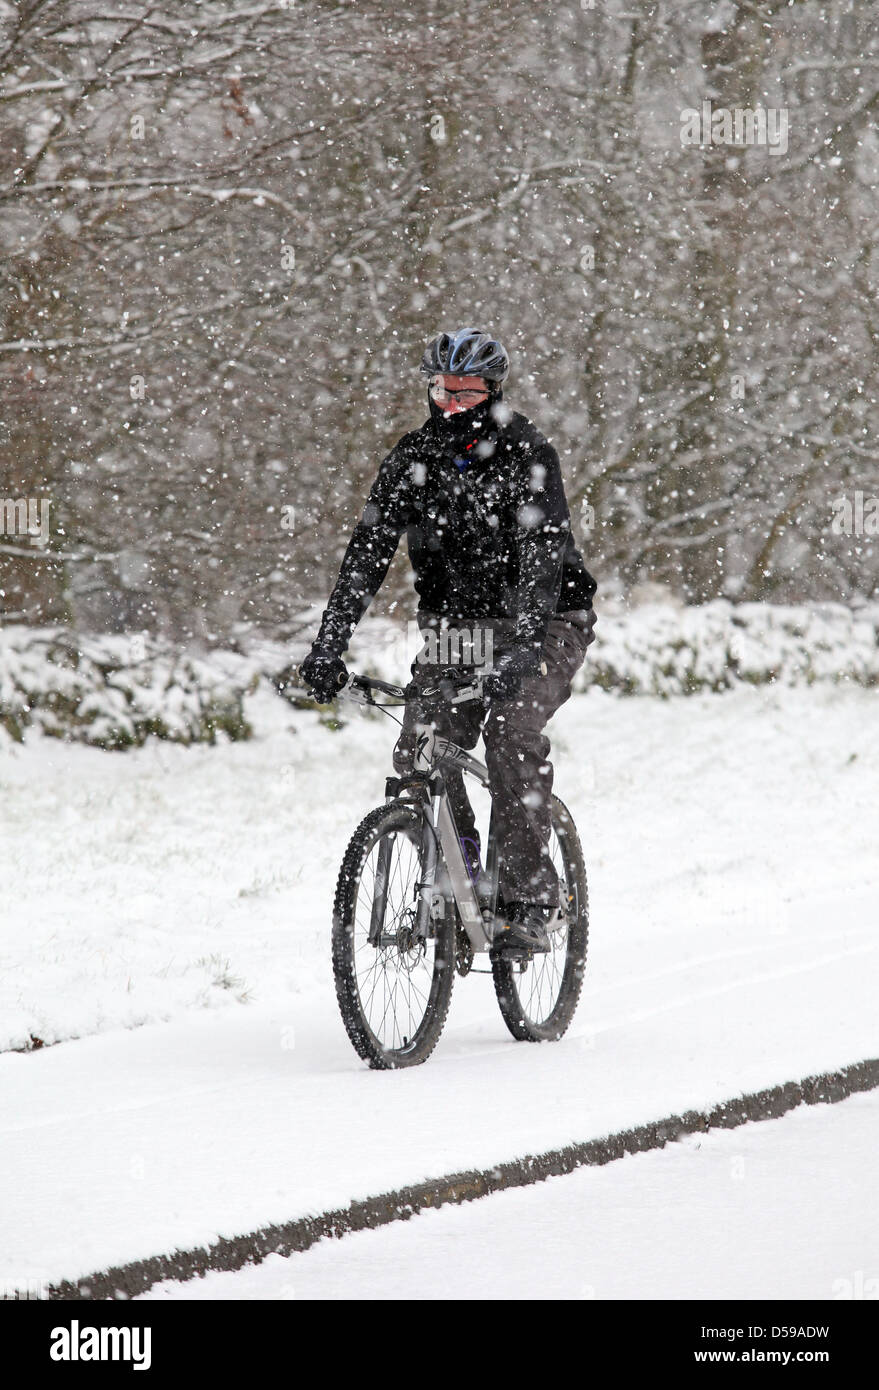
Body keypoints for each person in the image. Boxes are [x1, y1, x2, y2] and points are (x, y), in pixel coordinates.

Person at [299, 327, 597, 954]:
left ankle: (526, 899)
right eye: (441, 389)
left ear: (493, 391)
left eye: (466, 392)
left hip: (544, 623)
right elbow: (368, 554)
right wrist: (329, 644)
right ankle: (458, 875)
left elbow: (543, 559)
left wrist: (522, 645)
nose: (451, 403)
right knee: (420, 752)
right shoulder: (414, 459)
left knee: (511, 731)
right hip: (456, 631)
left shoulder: (526, 452)